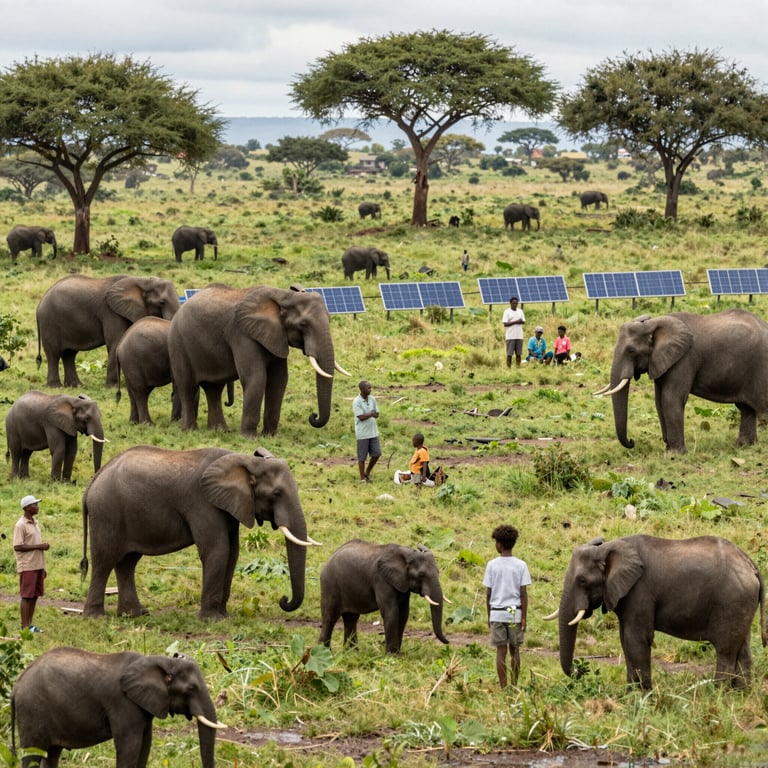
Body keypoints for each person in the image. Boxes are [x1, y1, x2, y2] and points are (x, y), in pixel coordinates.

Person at [483, 524, 531, 689]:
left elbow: (488, 594)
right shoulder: (521, 565)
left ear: (499, 545)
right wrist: (523, 617)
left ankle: (504, 688)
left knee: (500, 652)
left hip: (497, 613)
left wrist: (489, 616)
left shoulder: (491, 565)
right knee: (515, 651)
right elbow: (523, 594)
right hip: (514, 613)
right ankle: (515, 685)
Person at [13, 495, 49, 634]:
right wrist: (40, 546)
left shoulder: (35, 522)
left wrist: (43, 567)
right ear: (27, 507)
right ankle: (24, 626)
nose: (37, 507)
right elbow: (17, 546)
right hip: (27, 565)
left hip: (38, 564)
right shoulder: (20, 525)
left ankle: (30, 625)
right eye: (35, 504)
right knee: (26, 596)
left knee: (34, 595)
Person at [353, 380, 381, 483]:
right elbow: (361, 417)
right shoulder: (357, 401)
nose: (370, 389)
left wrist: (372, 414)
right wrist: (371, 414)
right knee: (362, 457)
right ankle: (362, 478)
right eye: (368, 388)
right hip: (362, 433)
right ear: (362, 389)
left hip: (373, 432)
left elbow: (377, 414)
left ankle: (367, 472)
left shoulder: (372, 399)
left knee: (377, 453)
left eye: (370, 387)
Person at [502, 296, 525, 368]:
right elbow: (505, 324)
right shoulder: (507, 312)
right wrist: (516, 321)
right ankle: (509, 368)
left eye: (516, 303)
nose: (515, 305)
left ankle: (518, 367)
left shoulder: (520, 311)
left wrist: (519, 321)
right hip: (510, 336)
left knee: (518, 354)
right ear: (510, 303)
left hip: (519, 336)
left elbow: (523, 321)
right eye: (514, 303)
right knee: (509, 354)